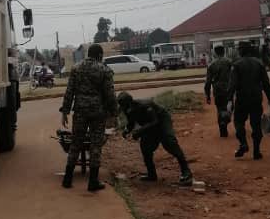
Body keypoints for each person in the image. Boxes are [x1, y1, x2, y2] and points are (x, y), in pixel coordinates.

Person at [59, 43, 117, 192]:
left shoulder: (76, 69)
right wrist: (114, 113)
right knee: (95, 145)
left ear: (88, 54)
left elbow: (69, 91)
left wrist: (65, 111)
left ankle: (67, 180)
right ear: (99, 55)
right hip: (98, 113)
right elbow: (110, 96)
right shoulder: (104, 70)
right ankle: (92, 182)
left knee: (75, 144)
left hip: (80, 112)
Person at [117, 92, 193, 185]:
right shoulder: (127, 109)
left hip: (162, 121)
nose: (125, 110)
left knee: (170, 143)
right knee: (145, 147)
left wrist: (140, 131)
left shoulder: (145, 105)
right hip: (149, 125)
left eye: (125, 106)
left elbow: (154, 121)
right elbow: (131, 123)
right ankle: (151, 174)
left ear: (130, 103)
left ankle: (186, 172)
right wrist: (126, 130)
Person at [227, 41, 270, 160]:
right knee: (256, 125)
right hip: (256, 98)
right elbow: (266, 83)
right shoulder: (259, 63)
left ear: (241, 50)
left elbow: (232, 85)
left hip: (242, 99)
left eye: (239, 49)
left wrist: (230, 100)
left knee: (238, 122)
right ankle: (256, 151)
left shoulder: (236, 65)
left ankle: (243, 143)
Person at [204, 45, 233, 137]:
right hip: (229, 89)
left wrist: (208, 96)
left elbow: (208, 82)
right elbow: (235, 76)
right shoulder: (229, 62)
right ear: (224, 51)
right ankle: (226, 119)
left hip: (217, 90)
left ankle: (222, 130)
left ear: (215, 53)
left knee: (220, 109)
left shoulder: (211, 65)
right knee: (230, 107)